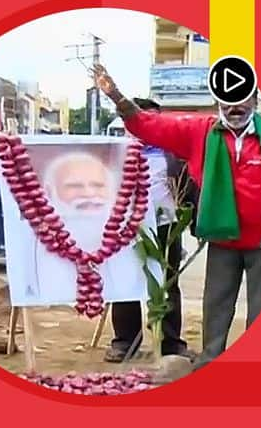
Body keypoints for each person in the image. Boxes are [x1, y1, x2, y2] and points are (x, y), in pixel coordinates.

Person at [93, 64, 261, 368]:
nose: (234, 107)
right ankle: (210, 362)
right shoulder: (200, 131)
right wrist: (116, 96)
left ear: (254, 100)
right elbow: (148, 125)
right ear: (217, 102)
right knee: (215, 307)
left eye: (241, 99)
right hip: (222, 238)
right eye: (227, 100)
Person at [104, 98, 192, 362]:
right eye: (142, 120)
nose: (148, 126)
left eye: (153, 120)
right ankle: (125, 343)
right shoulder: (115, 153)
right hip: (127, 228)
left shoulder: (173, 152)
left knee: (168, 286)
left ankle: (171, 344)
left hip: (167, 227)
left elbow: (189, 185)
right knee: (125, 282)